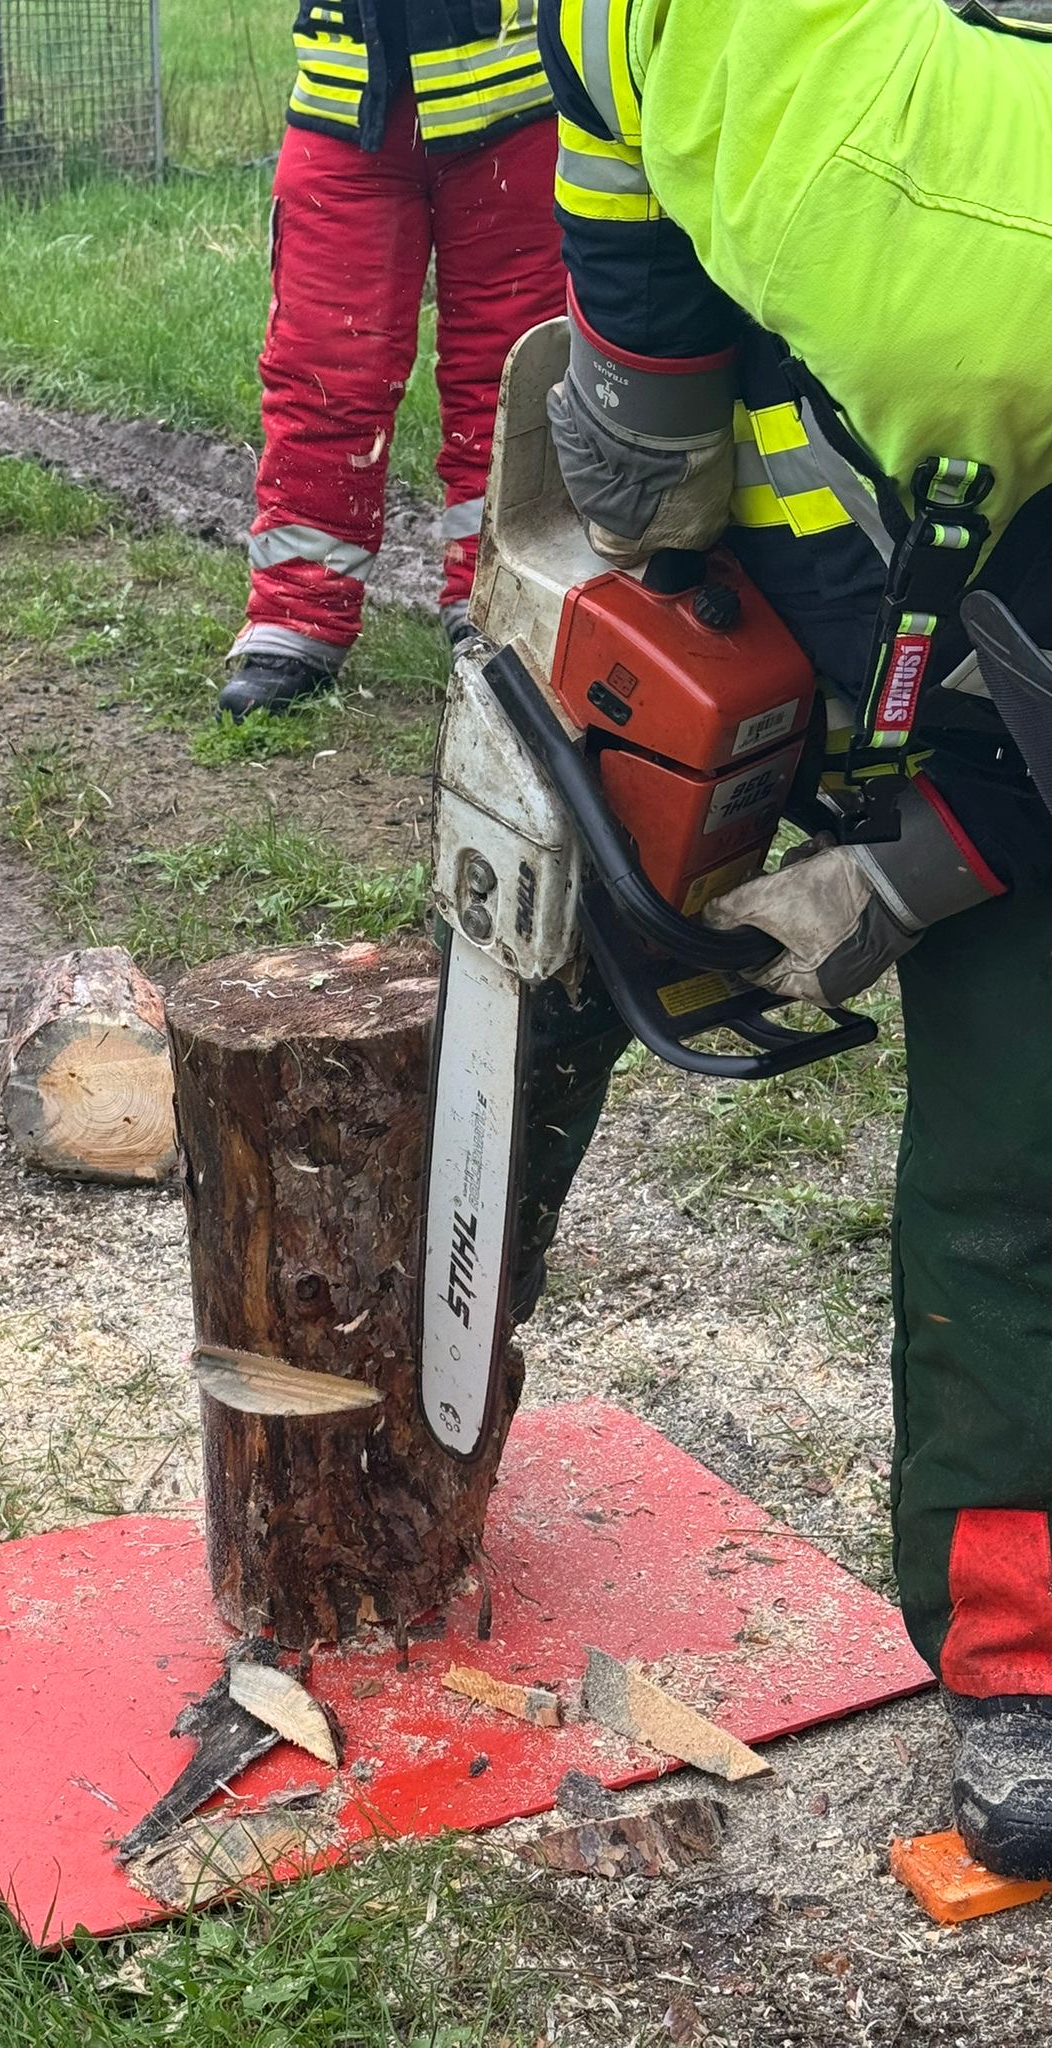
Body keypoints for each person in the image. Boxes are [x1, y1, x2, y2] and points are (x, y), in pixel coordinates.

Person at [525, 0, 1052, 1876]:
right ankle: (1026, 1662)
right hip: (892, 546)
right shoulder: (642, 16)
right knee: (1010, 1189)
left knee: (1026, 1153)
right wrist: (652, 455)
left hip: (1001, 599)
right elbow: (619, 215)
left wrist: (913, 869)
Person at [218, 1, 566, 721]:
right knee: (322, 373)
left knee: (509, 378)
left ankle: (495, 602)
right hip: (346, 106)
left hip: (511, 106)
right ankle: (296, 614)